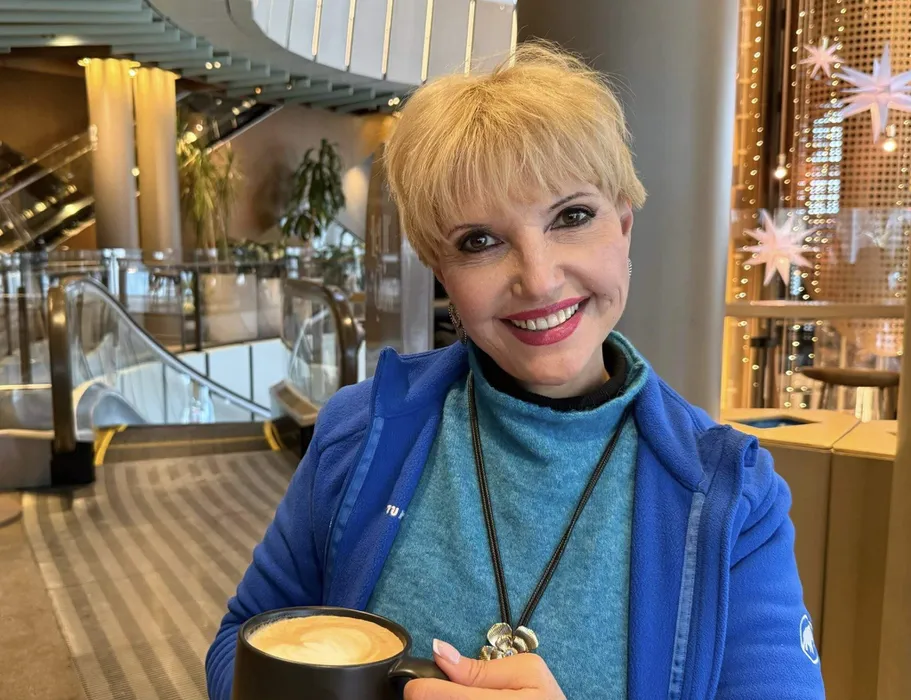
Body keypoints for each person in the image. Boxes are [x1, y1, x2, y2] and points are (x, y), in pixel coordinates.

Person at [206, 43, 826, 699]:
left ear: (623, 226)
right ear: (441, 272)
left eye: (571, 217)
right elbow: (241, 641)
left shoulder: (732, 495)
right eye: (479, 241)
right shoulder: (358, 434)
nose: (538, 278)